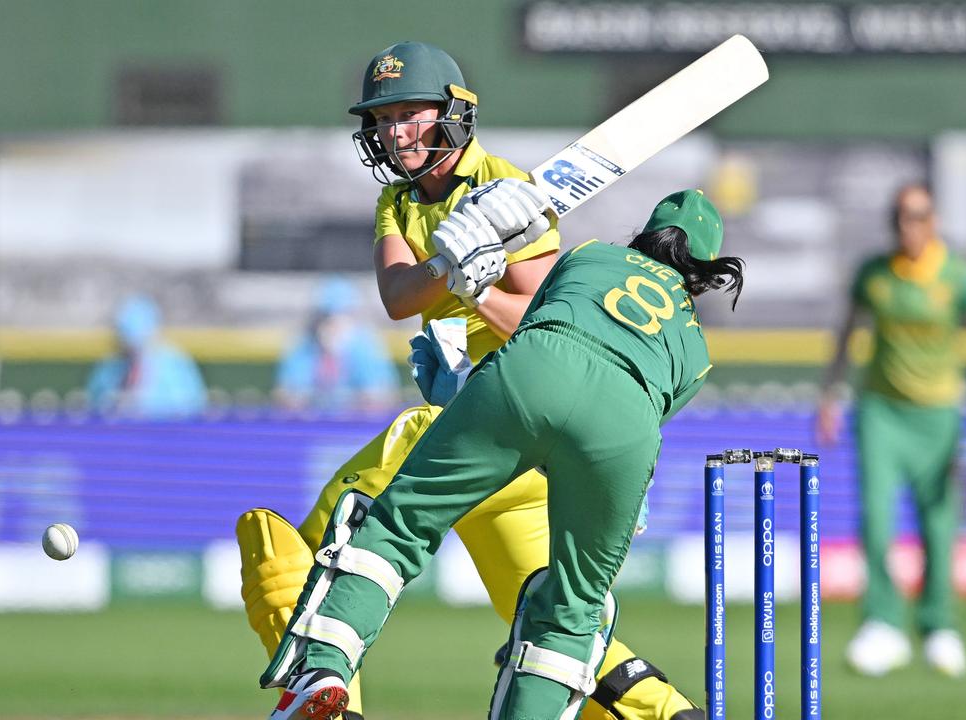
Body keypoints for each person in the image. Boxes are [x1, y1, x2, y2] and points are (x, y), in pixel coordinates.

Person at [236, 41, 704, 720]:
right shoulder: (398, 204)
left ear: (454, 112)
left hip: (507, 413)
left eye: (409, 113)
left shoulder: (507, 188)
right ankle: (669, 714)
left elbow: (554, 326)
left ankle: (323, 691)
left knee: (305, 548)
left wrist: (479, 288)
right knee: (549, 618)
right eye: (384, 117)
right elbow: (400, 294)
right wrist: (450, 268)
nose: (395, 132)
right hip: (485, 440)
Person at [266, 188, 744, 720]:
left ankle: (324, 669)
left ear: (646, 233)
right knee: (573, 608)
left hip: (532, 372)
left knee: (399, 523)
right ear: (703, 271)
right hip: (625, 434)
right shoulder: (698, 353)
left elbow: (535, 340)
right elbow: (615, 416)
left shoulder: (590, 255)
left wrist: (471, 391)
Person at [815, 183, 966, 679]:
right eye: (903, 216)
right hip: (880, 411)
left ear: (935, 220)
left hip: (938, 415)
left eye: (921, 215)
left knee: (938, 524)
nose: (912, 225)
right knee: (877, 520)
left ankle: (939, 626)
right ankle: (883, 625)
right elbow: (849, 331)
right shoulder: (875, 274)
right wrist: (830, 394)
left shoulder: (959, 275)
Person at [275, 276, 399, 411]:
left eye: (341, 317)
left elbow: (381, 398)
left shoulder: (367, 346)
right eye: (326, 317)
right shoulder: (302, 346)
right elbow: (287, 397)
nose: (333, 325)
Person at [85, 294, 207, 419]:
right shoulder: (109, 366)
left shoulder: (174, 363)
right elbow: (94, 405)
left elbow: (190, 407)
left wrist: (142, 404)